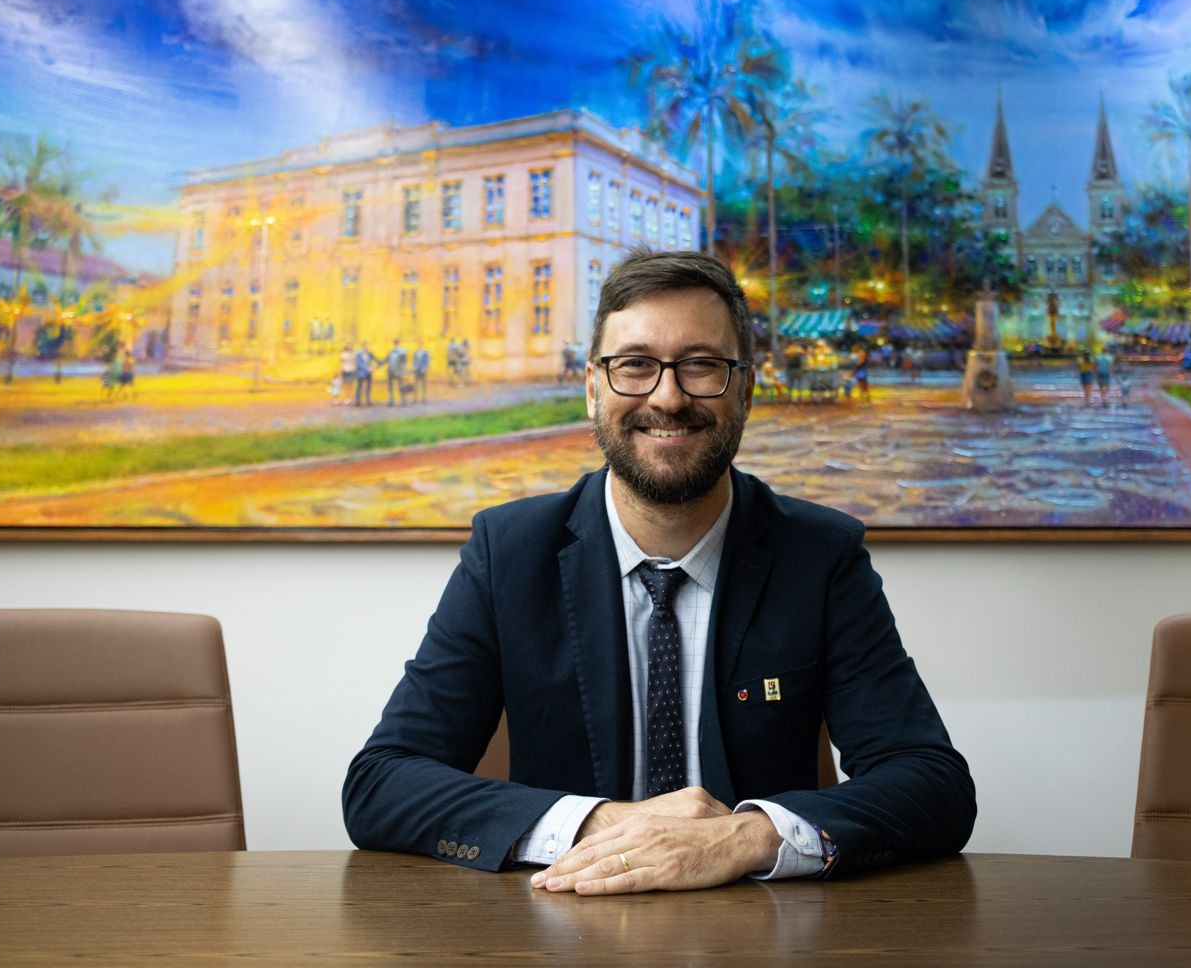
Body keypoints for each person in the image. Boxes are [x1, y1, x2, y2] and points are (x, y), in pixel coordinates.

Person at [343, 248, 975, 895]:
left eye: (701, 365)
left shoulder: (818, 555)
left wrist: (745, 835)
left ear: (746, 387)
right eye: (636, 366)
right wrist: (603, 826)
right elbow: (383, 783)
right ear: (593, 386)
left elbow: (932, 781)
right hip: (556, 926)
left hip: (762, 933)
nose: (668, 396)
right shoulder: (510, 552)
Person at [386, 340, 409, 406]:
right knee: (391, 386)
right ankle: (391, 400)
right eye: (395, 344)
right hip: (392, 371)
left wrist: (405, 372)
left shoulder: (402, 351)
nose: (395, 345)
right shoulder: (392, 352)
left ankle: (403, 400)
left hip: (400, 372)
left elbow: (403, 362)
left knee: (402, 385)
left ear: (398, 344)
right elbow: (388, 360)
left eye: (396, 344)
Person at [354, 341, 377, 407]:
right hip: (361, 373)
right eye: (365, 345)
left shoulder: (369, 353)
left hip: (369, 373)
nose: (367, 347)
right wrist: (367, 368)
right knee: (359, 387)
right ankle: (358, 401)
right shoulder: (358, 353)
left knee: (368, 387)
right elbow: (359, 364)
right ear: (363, 346)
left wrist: (374, 367)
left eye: (367, 346)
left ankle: (368, 400)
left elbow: (373, 360)